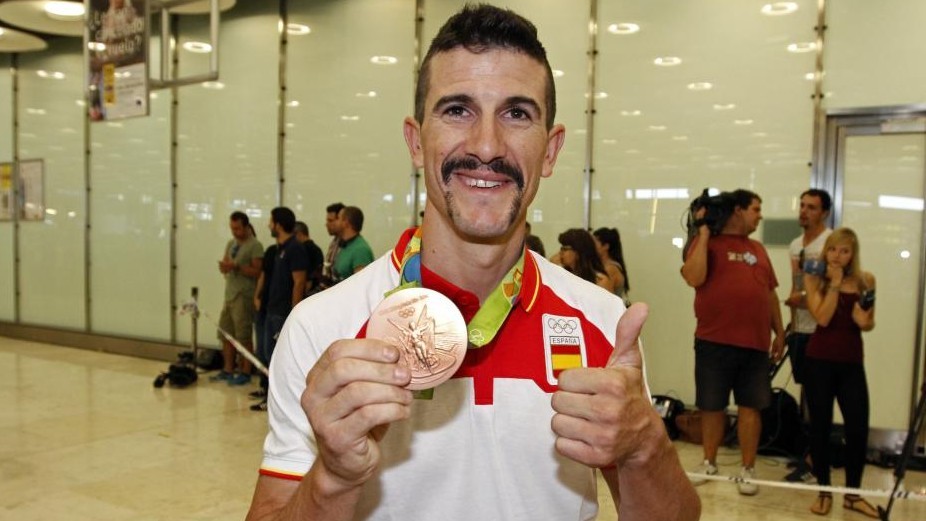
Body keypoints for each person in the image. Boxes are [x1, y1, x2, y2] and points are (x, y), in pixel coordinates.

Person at [245, 5, 699, 521]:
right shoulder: (322, 328)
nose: (486, 146)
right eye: (457, 110)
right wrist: (334, 477)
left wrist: (646, 448)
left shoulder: (601, 323)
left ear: (550, 152)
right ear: (417, 143)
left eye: (517, 113)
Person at [680, 188, 785, 496]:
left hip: (754, 343)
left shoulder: (758, 248)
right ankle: (709, 462)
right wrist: (703, 232)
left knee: (751, 408)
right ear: (738, 211)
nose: (760, 215)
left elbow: (770, 294)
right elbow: (694, 277)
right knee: (711, 406)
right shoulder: (706, 244)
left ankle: (748, 468)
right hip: (714, 340)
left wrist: (779, 332)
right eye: (756, 208)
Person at [802, 228, 877, 517]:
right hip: (819, 362)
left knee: (858, 429)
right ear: (826, 251)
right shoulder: (813, 277)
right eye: (833, 249)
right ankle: (824, 491)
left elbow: (867, 323)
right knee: (820, 428)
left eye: (844, 251)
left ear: (852, 255)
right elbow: (821, 317)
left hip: (851, 362)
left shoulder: (865, 280)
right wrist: (833, 285)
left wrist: (864, 316)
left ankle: (853, 495)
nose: (837, 256)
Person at [251, 207, 309, 412]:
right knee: (265, 354)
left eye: (271, 221)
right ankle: (267, 393)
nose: (268, 225)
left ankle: (277, 401)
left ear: (278, 224)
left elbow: (299, 282)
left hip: (283, 312)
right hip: (270, 309)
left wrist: (294, 313)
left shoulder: (295, 249)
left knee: (277, 358)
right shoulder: (278, 249)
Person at [784, 189, 833, 385]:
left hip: (821, 329)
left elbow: (835, 285)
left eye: (811, 207)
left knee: (820, 389)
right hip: (799, 329)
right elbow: (796, 283)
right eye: (802, 205)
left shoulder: (831, 243)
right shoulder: (796, 245)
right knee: (805, 386)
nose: (804, 211)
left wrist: (807, 296)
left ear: (824, 213)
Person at [213, 211, 263, 386]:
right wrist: (226, 267)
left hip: (244, 295)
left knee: (243, 335)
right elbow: (227, 264)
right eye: (232, 228)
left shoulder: (255, 246)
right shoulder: (231, 244)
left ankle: (245, 371)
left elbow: (258, 272)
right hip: (230, 294)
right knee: (226, 333)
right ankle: (228, 369)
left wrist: (237, 267)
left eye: (237, 228)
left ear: (246, 226)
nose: (234, 232)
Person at [331, 205, 374, 283]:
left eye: (338, 218)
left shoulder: (360, 250)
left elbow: (361, 285)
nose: (334, 223)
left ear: (346, 223)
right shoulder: (345, 245)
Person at [593, 227, 630, 299]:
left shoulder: (610, 269)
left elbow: (604, 298)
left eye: (595, 243)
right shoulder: (603, 266)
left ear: (606, 246)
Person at [294, 220, 324, 296]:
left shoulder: (301, 251)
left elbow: (309, 276)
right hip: (316, 292)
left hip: (306, 293)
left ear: (299, 234)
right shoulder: (317, 249)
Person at [321, 202, 345, 287]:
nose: (326, 224)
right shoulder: (334, 242)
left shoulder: (349, 246)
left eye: (330, 220)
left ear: (341, 220)